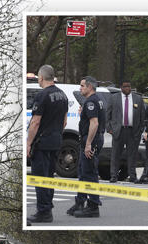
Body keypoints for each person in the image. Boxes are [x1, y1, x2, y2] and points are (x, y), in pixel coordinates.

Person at [26, 64, 67, 224]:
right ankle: (47, 208)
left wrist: (29, 143)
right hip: (56, 141)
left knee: (40, 177)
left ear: (41, 77)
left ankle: (43, 211)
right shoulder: (62, 95)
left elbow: (35, 122)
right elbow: (64, 121)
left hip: (42, 142)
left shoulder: (42, 95)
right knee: (49, 177)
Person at [67, 76, 106, 218]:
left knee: (89, 172)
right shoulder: (98, 99)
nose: (80, 88)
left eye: (82, 86)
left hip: (92, 140)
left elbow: (94, 123)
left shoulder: (91, 102)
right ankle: (80, 202)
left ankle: (93, 205)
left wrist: (89, 144)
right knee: (83, 171)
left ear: (90, 87)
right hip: (92, 139)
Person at [107, 80, 144, 183]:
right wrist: (110, 129)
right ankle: (114, 176)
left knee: (132, 155)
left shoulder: (138, 99)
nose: (127, 88)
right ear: (121, 87)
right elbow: (108, 115)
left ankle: (132, 176)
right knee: (115, 155)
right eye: (125, 86)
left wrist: (140, 131)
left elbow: (142, 117)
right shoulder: (114, 98)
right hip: (118, 131)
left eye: (129, 86)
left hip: (133, 132)